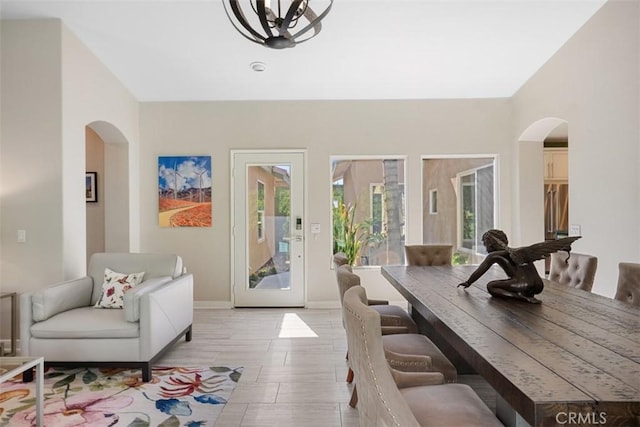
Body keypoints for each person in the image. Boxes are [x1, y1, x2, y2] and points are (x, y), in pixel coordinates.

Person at [458, 229, 544, 304]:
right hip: (539, 285)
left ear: (490, 244)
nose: (485, 248)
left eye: (485, 244)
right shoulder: (520, 251)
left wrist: (468, 282)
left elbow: (480, 271)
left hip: (522, 285)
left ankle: (521, 297)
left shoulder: (494, 255)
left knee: (491, 286)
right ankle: (527, 294)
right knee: (516, 281)